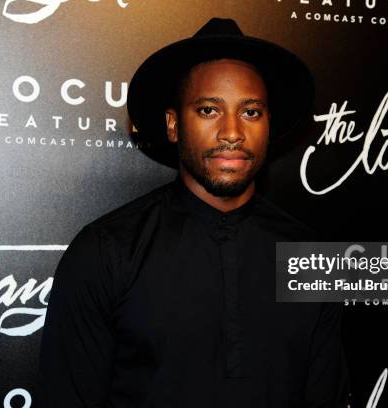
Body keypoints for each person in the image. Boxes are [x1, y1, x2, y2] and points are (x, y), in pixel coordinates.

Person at [38, 17, 349, 408]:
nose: (232, 132)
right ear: (173, 125)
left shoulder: (312, 256)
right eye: (208, 110)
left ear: (269, 125)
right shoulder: (104, 252)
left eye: (251, 112)